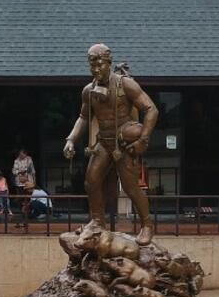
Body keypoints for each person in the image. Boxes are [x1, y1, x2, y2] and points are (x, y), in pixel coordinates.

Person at [63, 43, 158, 245]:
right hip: (104, 141)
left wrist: (143, 140)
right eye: (92, 66)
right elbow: (83, 117)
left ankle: (147, 225)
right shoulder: (88, 91)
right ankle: (97, 221)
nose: (97, 70)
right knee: (91, 181)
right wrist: (71, 139)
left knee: (131, 187)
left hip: (123, 141)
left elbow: (151, 110)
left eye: (101, 65)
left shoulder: (126, 85)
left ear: (109, 63)